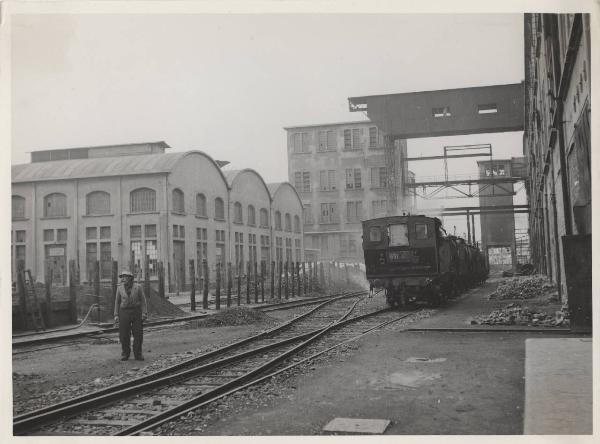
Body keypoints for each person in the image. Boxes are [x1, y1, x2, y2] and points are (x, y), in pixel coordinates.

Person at [114, 270, 148, 361]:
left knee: (138, 334)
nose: (123, 279)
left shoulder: (138, 287)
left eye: (125, 277)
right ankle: (125, 353)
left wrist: (144, 313)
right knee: (124, 334)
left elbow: (143, 301)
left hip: (136, 312)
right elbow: (117, 302)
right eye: (122, 277)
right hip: (124, 312)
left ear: (130, 278)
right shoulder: (119, 288)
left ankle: (138, 354)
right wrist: (116, 315)